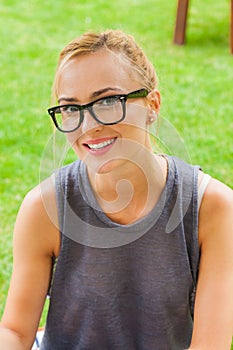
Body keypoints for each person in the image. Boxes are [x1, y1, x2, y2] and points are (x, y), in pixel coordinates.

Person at [0, 29, 233, 350]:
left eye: (108, 101)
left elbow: (210, 346)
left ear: (152, 105)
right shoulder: (44, 207)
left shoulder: (214, 208)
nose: (88, 126)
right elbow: (15, 331)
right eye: (71, 108)